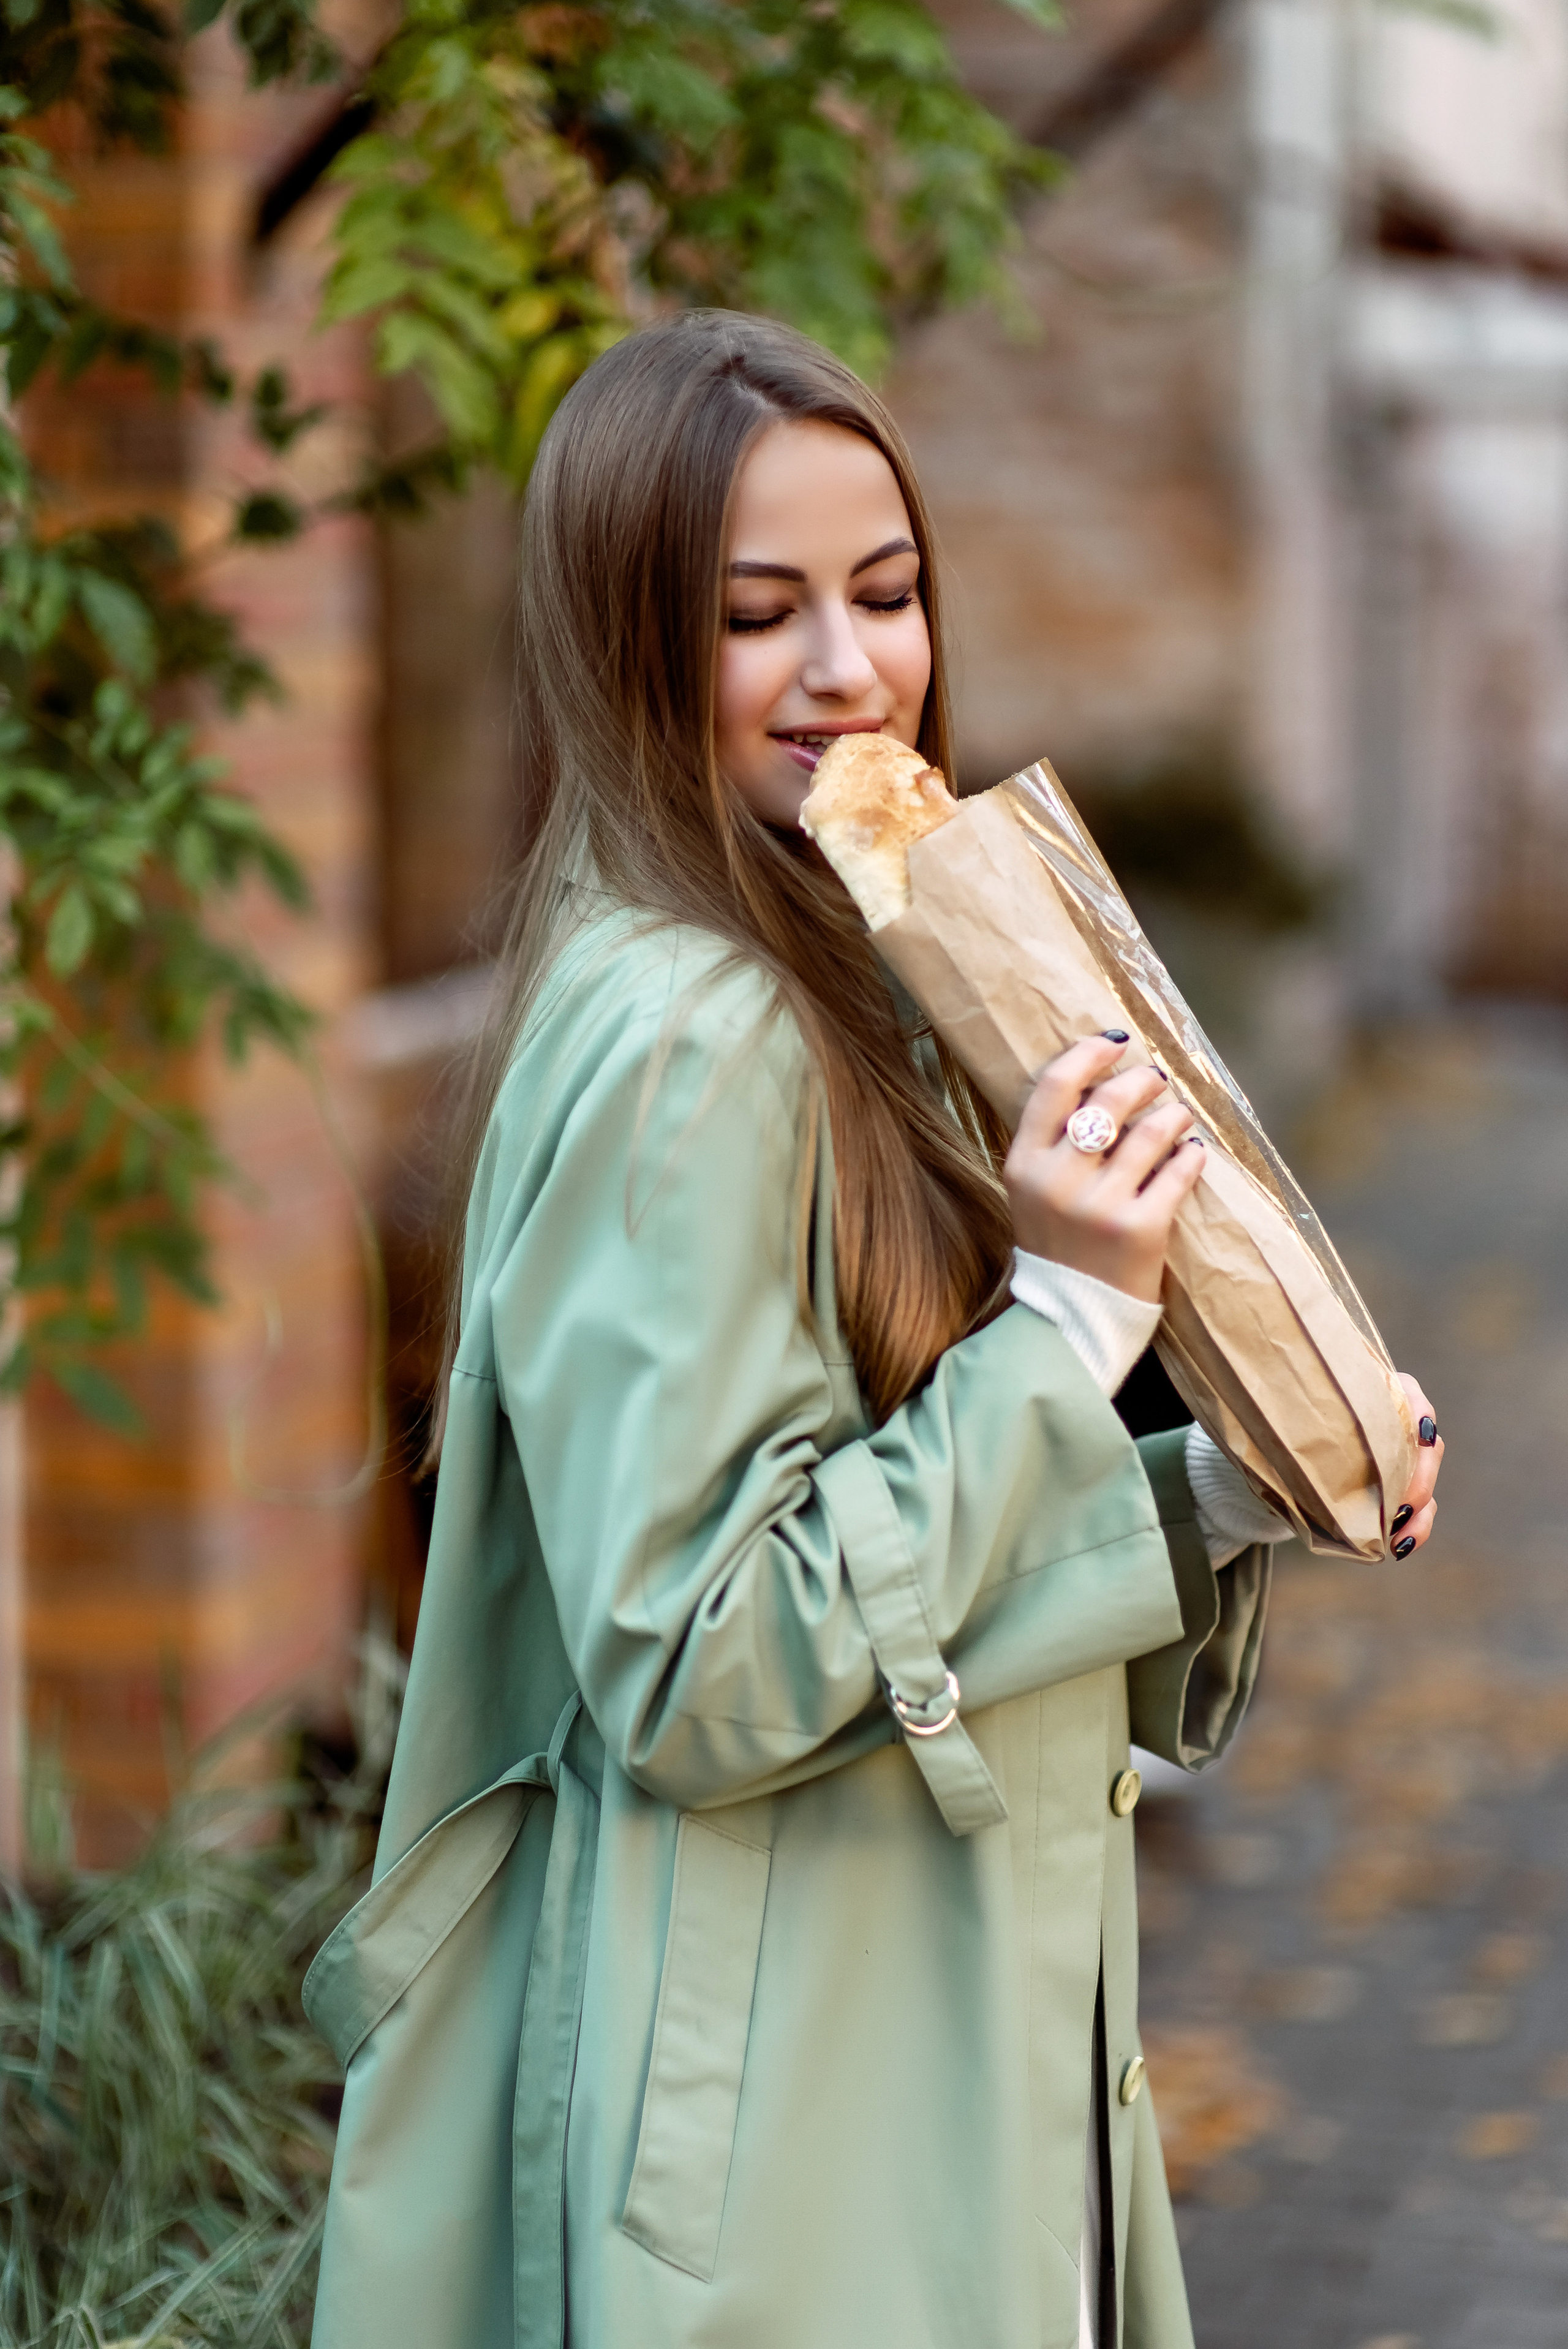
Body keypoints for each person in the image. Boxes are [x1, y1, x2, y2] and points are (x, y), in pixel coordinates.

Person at [305, 311, 1443, 2349]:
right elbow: (707, 1660)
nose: (850, 667)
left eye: (889, 591)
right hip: (803, 2154)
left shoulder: (840, 974)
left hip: (926, 2067)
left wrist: (1214, 1491)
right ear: (625, 642)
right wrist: (1069, 1312)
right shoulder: (696, 1037)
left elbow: (908, 1553)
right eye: (758, 616)